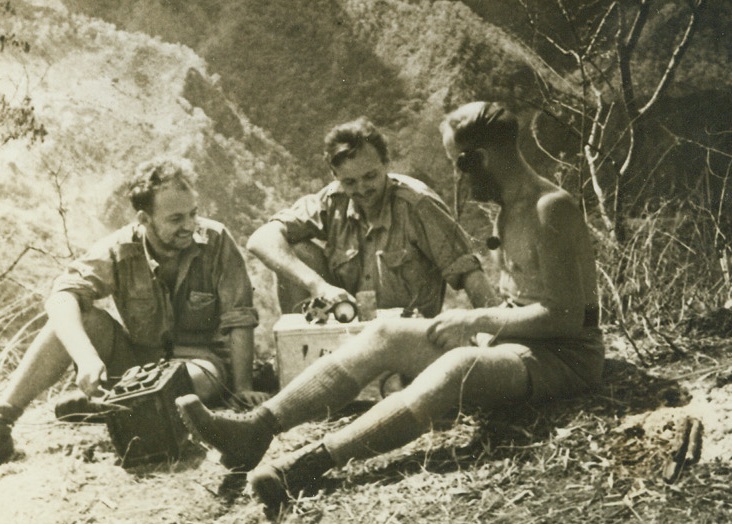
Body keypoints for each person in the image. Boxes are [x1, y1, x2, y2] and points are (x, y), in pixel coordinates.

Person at [175, 102, 604, 511]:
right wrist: (482, 326)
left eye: (458, 163)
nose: (457, 177)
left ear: (478, 160)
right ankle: (255, 429)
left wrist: (478, 319)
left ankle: (305, 466)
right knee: (381, 335)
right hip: (517, 341)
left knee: (457, 367)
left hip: (564, 358)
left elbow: (567, 319)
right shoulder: (508, 208)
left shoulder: (552, 209)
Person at [0, 156, 261, 464]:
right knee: (79, 318)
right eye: (176, 219)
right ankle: (4, 417)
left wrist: (243, 387)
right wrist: (86, 358)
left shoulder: (215, 241)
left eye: (193, 213)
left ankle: (114, 407)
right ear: (145, 219)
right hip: (137, 367)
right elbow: (62, 295)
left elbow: (239, 317)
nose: (190, 225)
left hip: (202, 364)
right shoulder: (121, 249)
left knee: (195, 380)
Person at [247, 117, 491, 319]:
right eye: (350, 182)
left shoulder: (418, 204)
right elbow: (261, 239)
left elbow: (468, 271)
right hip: (346, 330)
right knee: (298, 249)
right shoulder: (333, 201)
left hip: (407, 335)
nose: (362, 189)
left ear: (386, 163)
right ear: (334, 175)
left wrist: (495, 333)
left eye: (370, 176)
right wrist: (317, 285)